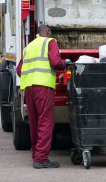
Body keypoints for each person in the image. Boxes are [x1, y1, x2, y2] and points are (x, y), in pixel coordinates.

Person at [16, 24, 70, 169]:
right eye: (51, 31)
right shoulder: (50, 42)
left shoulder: (29, 46)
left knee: (34, 122)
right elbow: (55, 62)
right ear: (47, 32)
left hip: (29, 88)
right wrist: (65, 64)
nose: (52, 34)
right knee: (46, 121)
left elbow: (19, 70)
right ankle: (41, 158)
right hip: (43, 87)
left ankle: (36, 155)